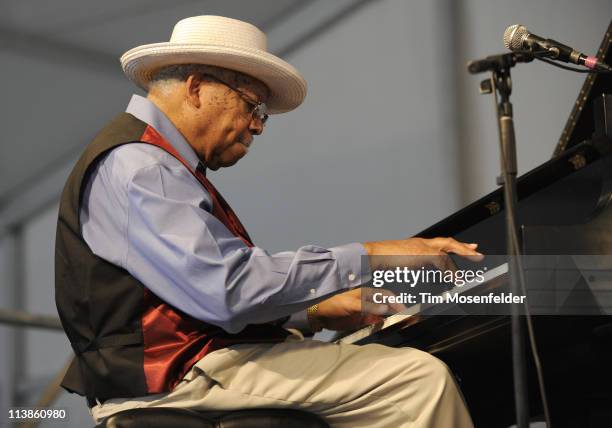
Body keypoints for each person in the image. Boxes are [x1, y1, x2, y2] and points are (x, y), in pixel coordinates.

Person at [55, 15, 481, 427]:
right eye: (252, 106)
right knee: (417, 382)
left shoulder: (149, 161)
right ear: (197, 87)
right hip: (177, 375)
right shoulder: (144, 167)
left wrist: (313, 312)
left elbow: (192, 300)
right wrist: (371, 255)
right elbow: (226, 290)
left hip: (181, 368)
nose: (257, 126)